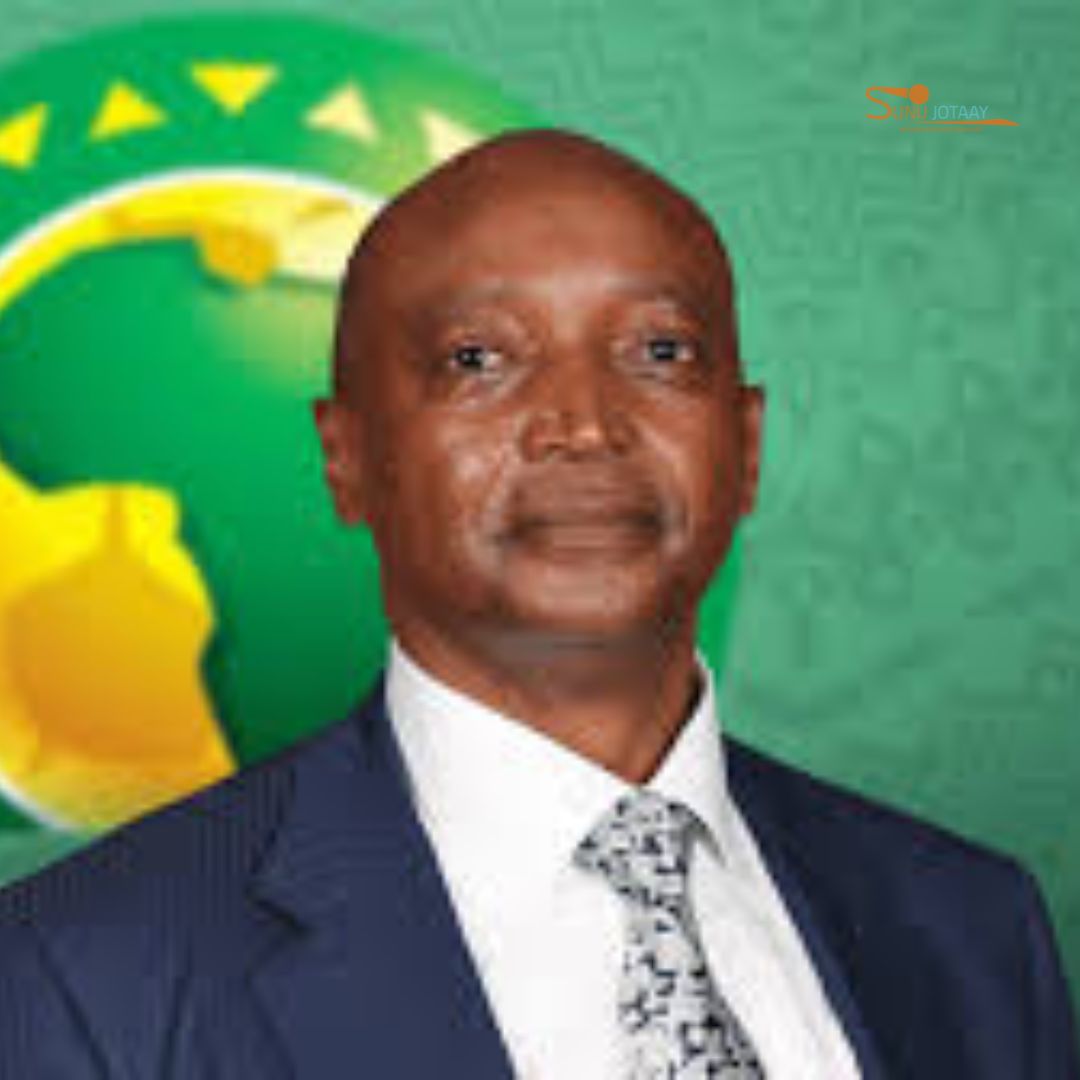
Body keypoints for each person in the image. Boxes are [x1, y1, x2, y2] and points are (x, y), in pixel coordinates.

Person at [0, 128, 1075, 1080]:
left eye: (660, 352)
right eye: (479, 360)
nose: (585, 423)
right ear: (348, 457)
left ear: (746, 445)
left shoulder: (971, 927)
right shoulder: (83, 974)